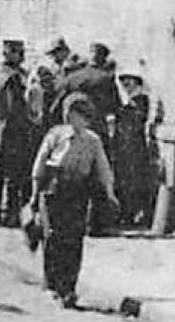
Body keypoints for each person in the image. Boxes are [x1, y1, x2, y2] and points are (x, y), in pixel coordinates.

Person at [31, 93, 118, 309]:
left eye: (78, 115)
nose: (72, 119)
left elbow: (103, 169)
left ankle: (69, 288)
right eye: (69, 114)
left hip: (77, 191)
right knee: (53, 236)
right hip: (53, 188)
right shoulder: (56, 135)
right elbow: (40, 163)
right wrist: (34, 193)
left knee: (74, 238)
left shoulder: (93, 140)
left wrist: (109, 193)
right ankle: (52, 284)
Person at [0, 40, 34, 229]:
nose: (22, 57)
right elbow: (15, 108)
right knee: (13, 173)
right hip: (11, 129)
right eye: (20, 53)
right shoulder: (13, 78)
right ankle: (10, 215)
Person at [112, 72, 160, 228]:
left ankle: (132, 214)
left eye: (128, 80)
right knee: (125, 179)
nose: (125, 83)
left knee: (133, 180)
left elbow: (136, 119)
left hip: (133, 144)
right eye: (123, 80)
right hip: (124, 144)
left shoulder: (140, 98)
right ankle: (127, 213)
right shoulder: (128, 99)